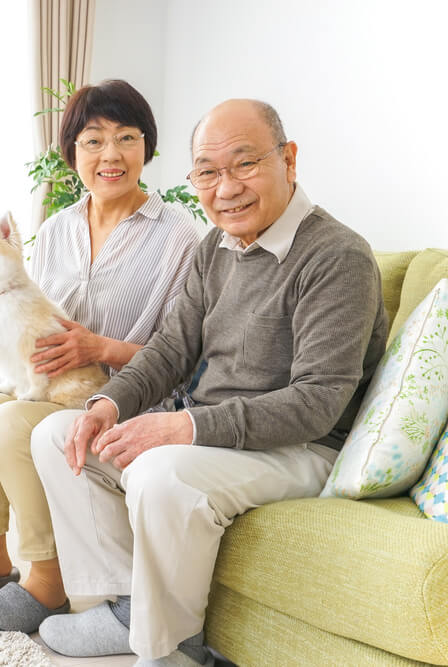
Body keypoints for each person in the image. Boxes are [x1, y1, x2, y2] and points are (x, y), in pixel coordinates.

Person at [28, 98, 388, 666]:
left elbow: (317, 403)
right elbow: (171, 350)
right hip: (220, 435)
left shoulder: (336, 256)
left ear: (289, 161)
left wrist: (184, 426)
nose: (226, 188)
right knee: (57, 433)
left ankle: (170, 646)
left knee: (162, 470)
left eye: (245, 164)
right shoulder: (214, 247)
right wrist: (105, 405)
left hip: (303, 446)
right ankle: (128, 605)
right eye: (207, 172)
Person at [0, 79, 199, 634]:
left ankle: (47, 579)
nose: (111, 155)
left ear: (149, 146)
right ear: (71, 153)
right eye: (93, 141)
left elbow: (189, 355)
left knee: (6, 422)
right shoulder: (55, 230)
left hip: (129, 397)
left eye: (126, 137)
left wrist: (103, 348)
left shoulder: (180, 237)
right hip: (57, 386)